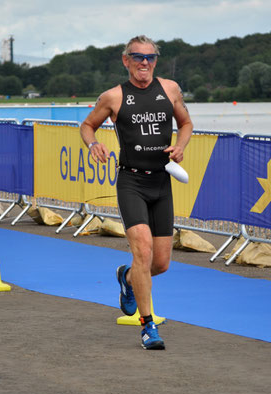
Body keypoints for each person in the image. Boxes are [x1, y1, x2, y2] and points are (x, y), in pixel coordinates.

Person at [79, 35, 193, 350]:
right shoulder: (113, 97)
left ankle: (127, 278)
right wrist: (94, 144)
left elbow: (185, 123)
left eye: (151, 57)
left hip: (162, 182)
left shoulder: (170, 89)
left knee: (160, 264)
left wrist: (180, 146)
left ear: (156, 60)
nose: (144, 62)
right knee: (142, 252)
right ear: (125, 60)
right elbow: (87, 126)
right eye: (137, 56)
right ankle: (148, 327)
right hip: (131, 183)